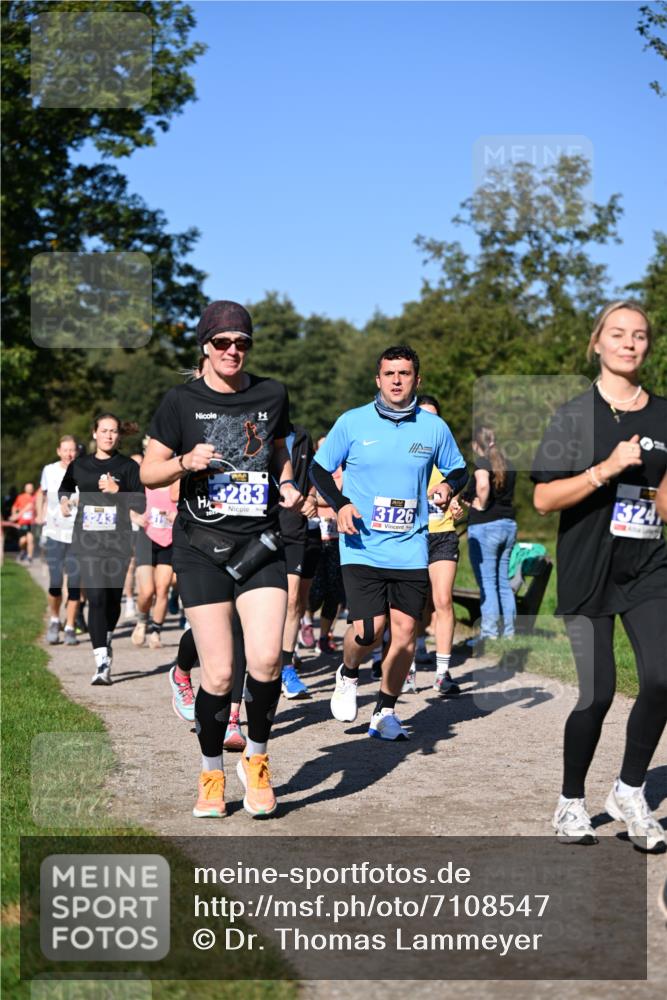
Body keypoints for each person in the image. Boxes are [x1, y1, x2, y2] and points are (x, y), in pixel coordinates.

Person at [141, 299, 302, 818]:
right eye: (223, 343)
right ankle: (211, 772)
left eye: (242, 343)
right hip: (200, 549)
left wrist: (289, 482)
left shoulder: (271, 393)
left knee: (267, 659)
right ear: (205, 347)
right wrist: (184, 462)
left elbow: (279, 450)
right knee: (217, 674)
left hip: (260, 544)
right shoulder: (180, 401)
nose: (233, 351)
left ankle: (255, 760)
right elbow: (148, 472)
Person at [531, 300, 667, 851]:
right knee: (598, 694)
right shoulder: (571, 415)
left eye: (639, 335)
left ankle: (630, 791)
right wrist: (604, 470)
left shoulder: (664, 415)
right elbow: (543, 498)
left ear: (648, 346)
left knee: (662, 676)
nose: (629, 343)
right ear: (597, 343)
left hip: (649, 568)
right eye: (618, 333)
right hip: (587, 570)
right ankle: (570, 801)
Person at [311, 345, 468, 740]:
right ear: (377, 379)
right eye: (389, 373)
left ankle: (384, 711)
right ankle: (347, 673)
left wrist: (449, 485)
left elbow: (460, 469)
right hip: (362, 544)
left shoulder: (433, 428)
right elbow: (318, 469)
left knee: (403, 634)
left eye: (404, 373)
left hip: (411, 545)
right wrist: (341, 504)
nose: (397, 380)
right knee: (368, 630)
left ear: (417, 379)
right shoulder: (353, 423)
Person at [59, 414, 145, 685]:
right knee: (95, 597)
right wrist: (64, 501)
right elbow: (65, 487)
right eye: (104, 430)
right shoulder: (80, 465)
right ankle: (101, 662)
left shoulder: (128, 466)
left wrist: (117, 490)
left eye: (114, 431)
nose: (109, 435)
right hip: (88, 541)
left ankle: (106, 637)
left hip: (118, 541)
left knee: (110, 599)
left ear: (119, 435)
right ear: (94, 433)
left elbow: (141, 504)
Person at [415, 395, 463, 695]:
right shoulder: (405, 451)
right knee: (410, 604)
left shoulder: (447, 453)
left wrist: (456, 503)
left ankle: (443, 673)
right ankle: (406, 666)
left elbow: (457, 485)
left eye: (435, 417)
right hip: (411, 534)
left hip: (443, 534)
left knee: (443, 600)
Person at [462, 425, 518, 644]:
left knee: (487, 582)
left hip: (485, 527)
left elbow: (483, 486)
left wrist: (479, 504)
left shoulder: (482, 463)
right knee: (503, 581)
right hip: (508, 525)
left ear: (477, 445)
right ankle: (510, 632)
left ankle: (490, 634)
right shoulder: (509, 464)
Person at [278, 424, 320, 697]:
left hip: (294, 528)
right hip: (256, 528)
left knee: (293, 600)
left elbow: (315, 474)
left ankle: (285, 667)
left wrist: (313, 497)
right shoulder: (253, 429)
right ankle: (249, 662)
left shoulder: (303, 436)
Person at [38, 435, 81, 645]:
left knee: (74, 583)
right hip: (54, 532)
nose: (69, 454)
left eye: (72, 450)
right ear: (59, 451)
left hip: (77, 534)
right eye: (65, 450)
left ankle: (71, 626)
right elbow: (43, 495)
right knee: (55, 582)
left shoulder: (84, 470)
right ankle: (55, 619)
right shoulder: (49, 471)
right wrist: (40, 515)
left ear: (77, 451)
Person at [132, 472, 178, 650]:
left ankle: (156, 632)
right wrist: (135, 517)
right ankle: (142, 621)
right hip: (147, 539)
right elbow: (128, 505)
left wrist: (175, 516)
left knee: (163, 588)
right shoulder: (146, 482)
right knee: (146, 591)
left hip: (169, 540)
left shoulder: (177, 484)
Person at [11, 483, 37, 562]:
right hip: (22, 522)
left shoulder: (35, 497)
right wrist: (14, 515)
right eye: (28, 488)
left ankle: (29, 557)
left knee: (30, 539)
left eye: (31, 488)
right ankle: (22, 550)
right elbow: (14, 507)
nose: (30, 489)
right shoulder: (20, 497)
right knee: (23, 541)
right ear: (25, 489)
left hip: (32, 522)